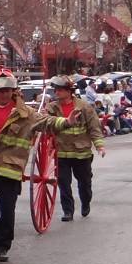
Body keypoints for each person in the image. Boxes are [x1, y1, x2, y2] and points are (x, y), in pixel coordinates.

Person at [0, 69, 81, 262]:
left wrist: (66, 122)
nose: (3, 94)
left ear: (13, 91)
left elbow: (46, 122)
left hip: (10, 168)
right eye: (0, 91)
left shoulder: (25, 114)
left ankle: (3, 246)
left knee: (7, 209)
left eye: (7, 91)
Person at [46, 76, 105, 222]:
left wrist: (99, 145)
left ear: (69, 91)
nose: (56, 92)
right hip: (61, 152)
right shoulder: (51, 108)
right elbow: (46, 123)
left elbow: (94, 127)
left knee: (84, 182)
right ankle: (68, 211)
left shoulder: (84, 107)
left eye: (60, 90)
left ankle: (86, 202)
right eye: (55, 90)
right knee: (64, 183)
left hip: (82, 153)